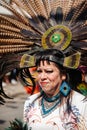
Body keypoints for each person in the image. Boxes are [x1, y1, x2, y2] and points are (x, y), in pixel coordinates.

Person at [23, 49, 87, 130]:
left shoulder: (80, 103)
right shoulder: (30, 101)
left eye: (49, 71)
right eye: (39, 71)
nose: (42, 77)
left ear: (63, 75)